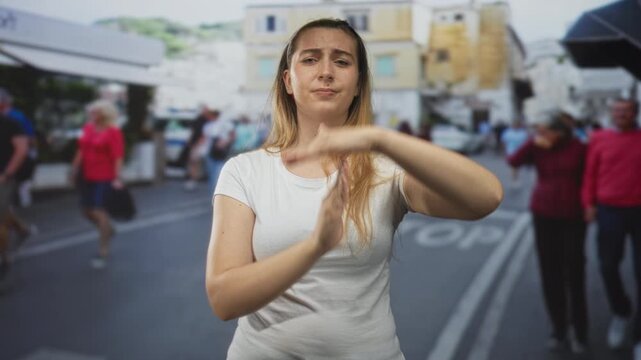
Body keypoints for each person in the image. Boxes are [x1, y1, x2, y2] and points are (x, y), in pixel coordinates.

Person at [205, 18, 503, 359]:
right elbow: (224, 299)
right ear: (288, 80)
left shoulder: (385, 171)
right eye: (311, 59)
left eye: (342, 61)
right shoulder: (245, 171)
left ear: (359, 83)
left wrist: (380, 138)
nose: (326, 71)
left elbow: (486, 197)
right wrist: (315, 246)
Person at [508, 114, 588, 353]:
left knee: (574, 272)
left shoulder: (580, 148)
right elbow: (513, 160)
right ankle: (559, 328)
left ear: (560, 132)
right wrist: (532, 143)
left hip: (574, 215)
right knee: (549, 272)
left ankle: (580, 331)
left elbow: (589, 177)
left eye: (545, 131)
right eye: (539, 131)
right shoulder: (537, 147)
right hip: (543, 213)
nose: (541, 135)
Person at [582, 98, 641, 359]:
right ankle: (621, 311)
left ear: (635, 113)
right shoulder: (600, 138)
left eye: (626, 111)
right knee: (607, 266)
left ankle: (639, 335)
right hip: (609, 210)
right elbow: (590, 173)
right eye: (617, 111)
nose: (621, 115)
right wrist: (588, 203)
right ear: (611, 113)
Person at [71, 100, 124, 269]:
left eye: (95, 112)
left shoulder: (113, 132)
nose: (92, 115)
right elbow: (81, 150)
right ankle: (107, 228)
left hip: (104, 176)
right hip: (87, 175)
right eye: (91, 112)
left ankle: (103, 251)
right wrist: (74, 169)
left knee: (98, 211)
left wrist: (117, 177)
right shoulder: (88, 128)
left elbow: (118, 156)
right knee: (86, 211)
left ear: (104, 114)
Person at [0, 112, 28, 284]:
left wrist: (6, 174)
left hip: (4, 178)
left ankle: (3, 261)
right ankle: (23, 230)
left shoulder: (11, 124)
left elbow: (22, 149)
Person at [0, 88, 37, 208]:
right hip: (11, 162)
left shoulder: (15, 118)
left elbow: (27, 142)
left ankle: (25, 207)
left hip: (11, 164)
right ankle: (22, 225)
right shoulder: (17, 115)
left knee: (20, 189)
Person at [202, 109, 235, 193]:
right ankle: (214, 194)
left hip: (221, 151)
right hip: (209, 151)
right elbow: (204, 138)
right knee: (211, 173)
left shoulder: (225, 124)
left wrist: (225, 142)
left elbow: (233, 135)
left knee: (218, 173)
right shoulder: (208, 125)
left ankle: (218, 194)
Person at [183, 105, 210, 191]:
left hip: (198, 145)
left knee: (194, 163)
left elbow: (200, 134)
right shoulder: (203, 121)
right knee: (194, 163)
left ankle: (192, 180)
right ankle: (192, 180)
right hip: (196, 145)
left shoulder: (204, 121)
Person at [502, 120, 529, 188]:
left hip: (520, 152)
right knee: (514, 166)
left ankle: (515, 177)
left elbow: (526, 142)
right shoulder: (508, 132)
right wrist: (504, 151)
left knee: (517, 167)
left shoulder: (523, 133)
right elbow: (504, 142)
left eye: (517, 125)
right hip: (511, 152)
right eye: (515, 125)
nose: (516, 127)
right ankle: (515, 179)